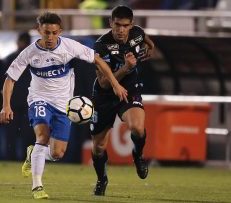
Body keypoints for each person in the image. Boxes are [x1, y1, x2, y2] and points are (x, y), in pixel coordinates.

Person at [0, 12, 128, 200]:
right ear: (39, 31)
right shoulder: (29, 53)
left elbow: (98, 59)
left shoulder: (70, 47)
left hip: (64, 105)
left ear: (60, 31)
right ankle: (37, 186)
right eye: (46, 33)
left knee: (57, 153)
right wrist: (6, 106)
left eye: (53, 33)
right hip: (38, 99)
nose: (50, 37)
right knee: (42, 136)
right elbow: (10, 80)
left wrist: (116, 85)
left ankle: (33, 154)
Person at [89, 5, 155, 196]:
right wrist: (126, 68)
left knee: (138, 128)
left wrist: (151, 48)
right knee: (99, 147)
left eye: (125, 26)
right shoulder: (101, 45)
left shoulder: (138, 33)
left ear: (131, 25)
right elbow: (103, 83)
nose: (120, 30)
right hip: (104, 96)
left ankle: (138, 155)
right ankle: (102, 179)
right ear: (110, 23)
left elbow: (147, 41)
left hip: (130, 91)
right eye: (117, 25)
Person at [2, 32, 35, 160]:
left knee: (12, 133)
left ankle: (10, 158)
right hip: (29, 102)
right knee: (29, 134)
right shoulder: (35, 58)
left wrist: (5, 103)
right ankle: (28, 159)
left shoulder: (11, 58)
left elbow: (4, 81)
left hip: (13, 102)